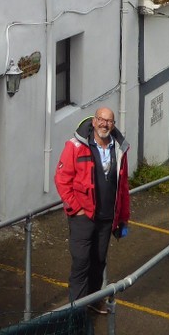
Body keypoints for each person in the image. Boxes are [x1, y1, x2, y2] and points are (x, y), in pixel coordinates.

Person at [54, 107, 130, 314]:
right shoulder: (75, 146)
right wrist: (75, 207)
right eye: (101, 120)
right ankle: (77, 310)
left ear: (113, 124)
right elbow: (61, 180)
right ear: (94, 121)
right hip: (82, 218)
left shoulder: (119, 149)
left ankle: (94, 301)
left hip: (106, 218)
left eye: (109, 121)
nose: (105, 124)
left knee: (98, 261)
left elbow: (122, 186)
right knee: (81, 262)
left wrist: (123, 218)